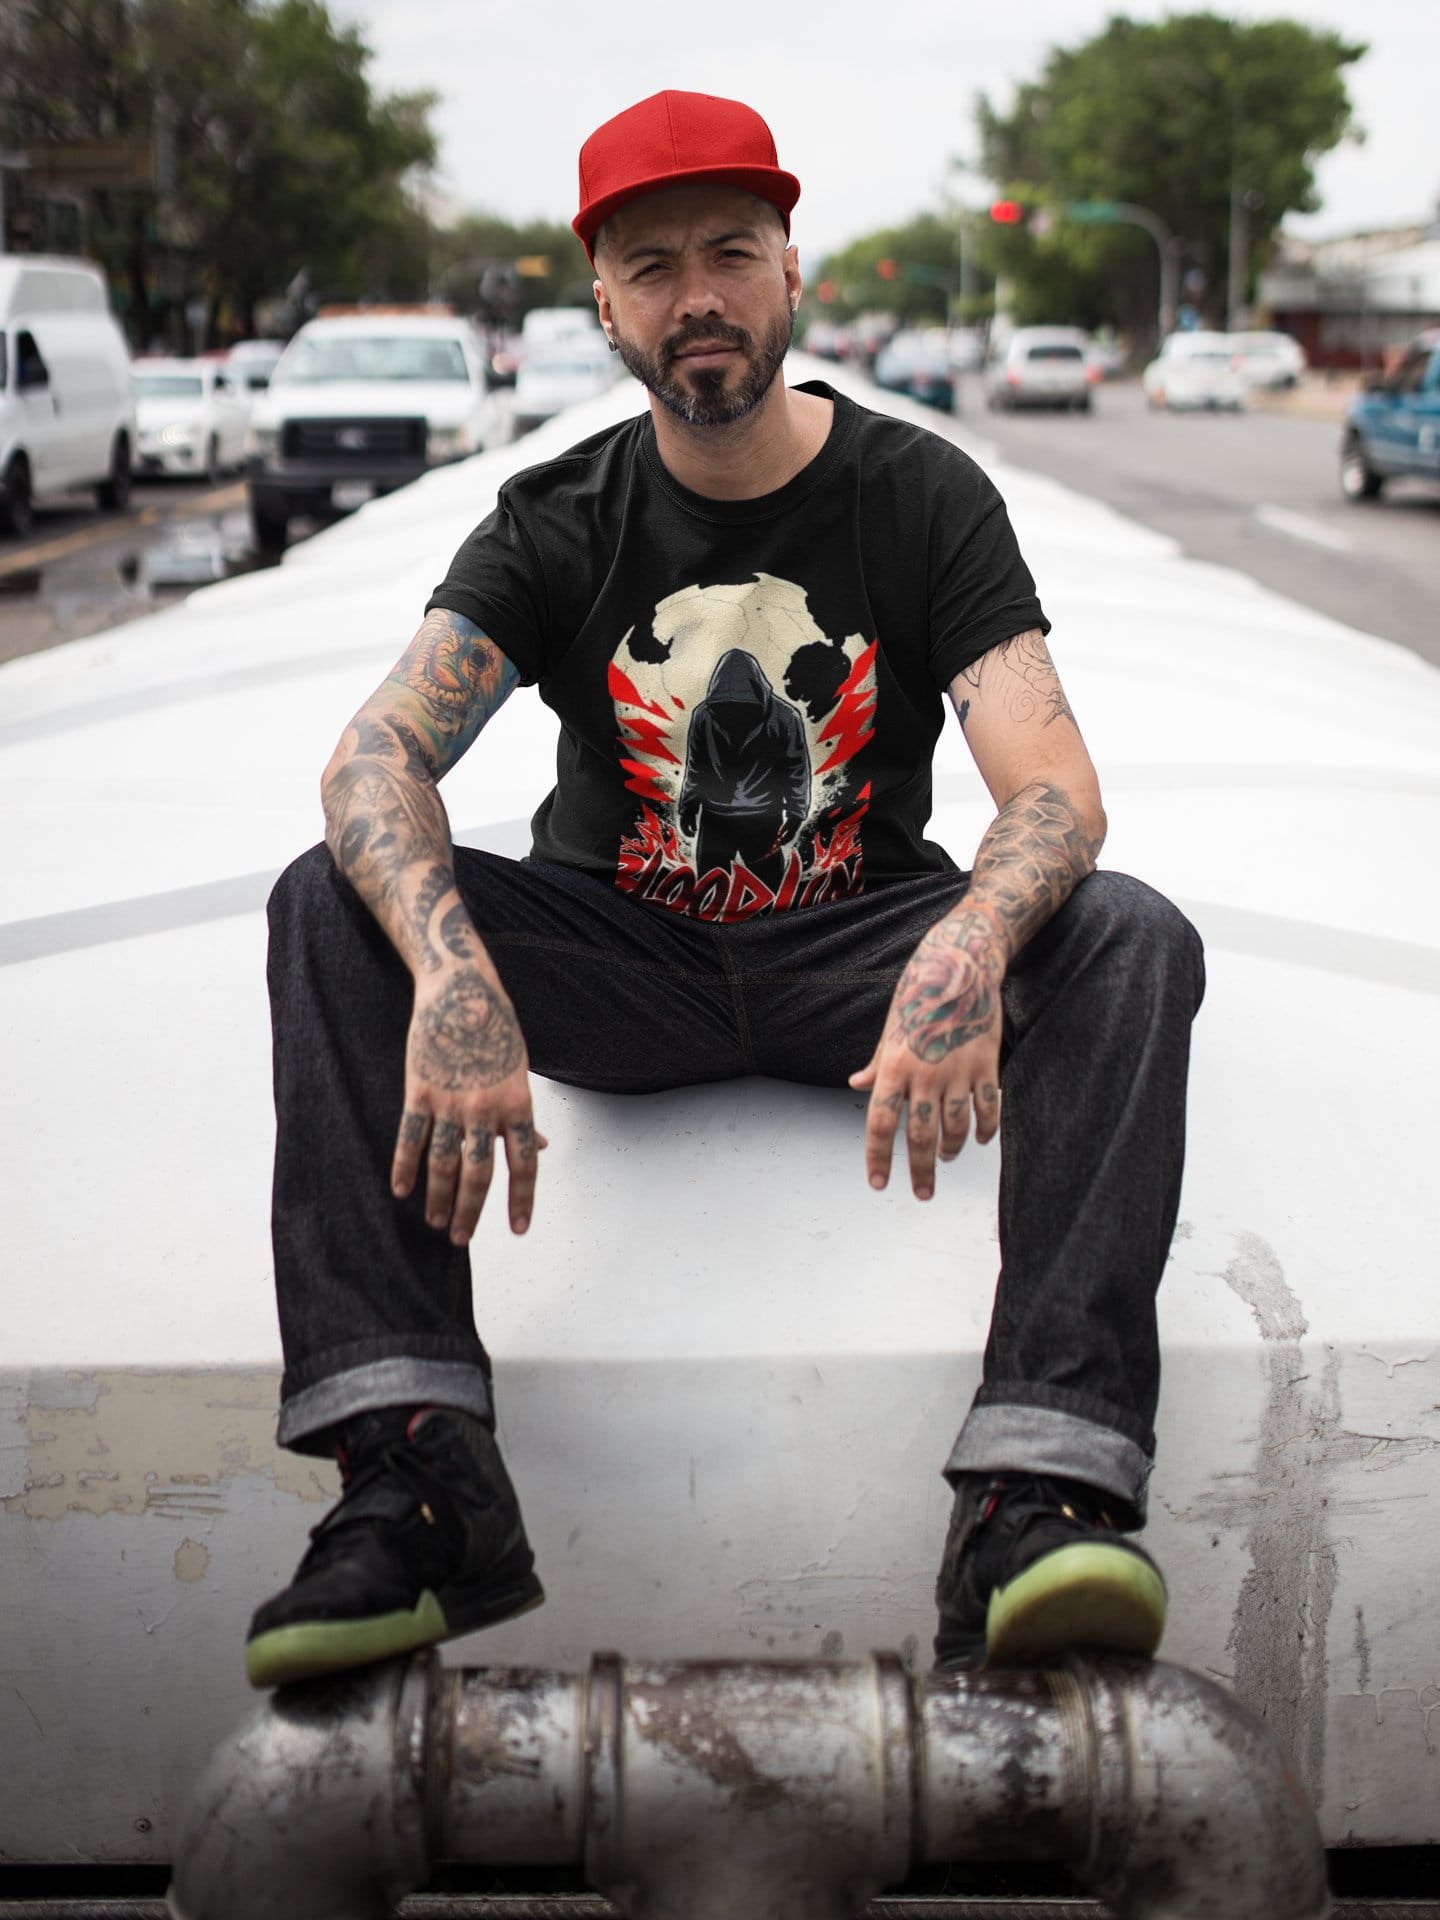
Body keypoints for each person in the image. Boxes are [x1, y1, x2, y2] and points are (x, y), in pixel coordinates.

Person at [245, 90, 1205, 1691]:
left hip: (860, 953)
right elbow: (376, 755)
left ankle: (1042, 1489)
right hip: (622, 957)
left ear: (788, 274)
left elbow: (1055, 788)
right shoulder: (556, 518)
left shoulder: (920, 495)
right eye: (653, 264)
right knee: (329, 894)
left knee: (1126, 936)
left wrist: (968, 937)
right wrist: (458, 978)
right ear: (604, 302)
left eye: (731, 252)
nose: (699, 294)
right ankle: (415, 1479)